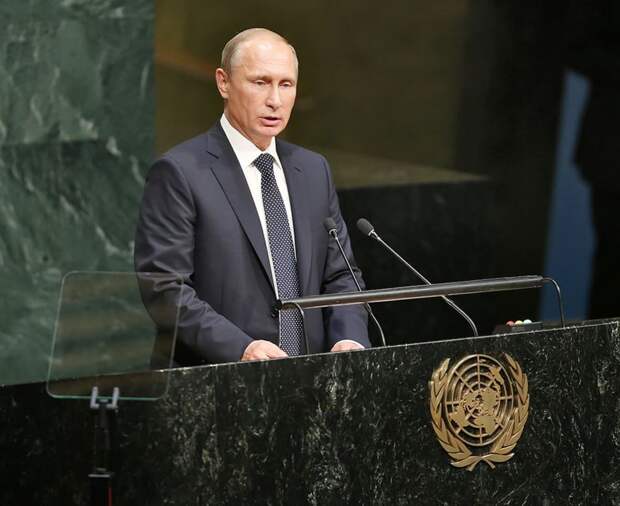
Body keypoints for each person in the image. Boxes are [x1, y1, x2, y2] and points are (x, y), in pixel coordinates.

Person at [135, 28, 370, 365]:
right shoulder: (180, 172)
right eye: (260, 82)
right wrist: (241, 348)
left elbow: (341, 275)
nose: (275, 100)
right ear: (223, 83)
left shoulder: (313, 170)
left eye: (286, 84)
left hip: (311, 380)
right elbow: (164, 288)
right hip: (218, 378)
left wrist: (348, 337)